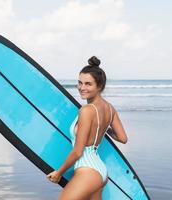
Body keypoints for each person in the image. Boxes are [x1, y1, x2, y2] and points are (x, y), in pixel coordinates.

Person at [47, 56, 128, 200]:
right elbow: (123, 138)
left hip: (87, 171)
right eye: (80, 83)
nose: (82, 88)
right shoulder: (110, 109)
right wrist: (103, 127)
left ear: (99, 86)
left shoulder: (86, 110)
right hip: (100, 172)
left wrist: (59, 173)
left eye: (88, 84)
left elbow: (78, 152)